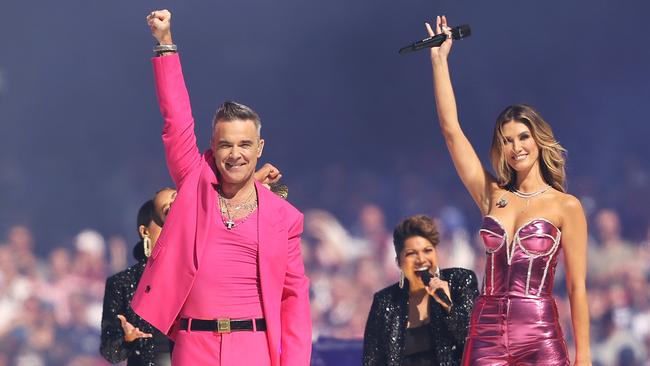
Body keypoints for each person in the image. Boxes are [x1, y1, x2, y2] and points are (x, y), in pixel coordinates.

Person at [131, 9, 311, 366]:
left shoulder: (284, 217)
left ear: (259, 149)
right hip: (193, 346)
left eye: (245, 145)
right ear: (213, 147)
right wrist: (165, 45)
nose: (235, 154)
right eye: (226, 145)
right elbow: (176, 121)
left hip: (255, 349)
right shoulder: (195, 185)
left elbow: (294, 301)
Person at [426, 15, 591, 365]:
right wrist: (440, 62)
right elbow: (451, 130)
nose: (516, 147)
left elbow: (577, 288)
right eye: (506, 141)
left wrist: (585, 356)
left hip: (540, 335)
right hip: (485, 333)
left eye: (522, 137)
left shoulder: (566, 206)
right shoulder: (492, 195)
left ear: (538, 140)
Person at [363, 215, 479, 366]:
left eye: (427, 250)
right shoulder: (385, 301)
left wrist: (449, 307)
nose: (421, 259)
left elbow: (475, 342)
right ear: (399, 261)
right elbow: (371, 360)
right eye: (411, 253)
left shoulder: (460, 282)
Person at [100, 188, 177, 365]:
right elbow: (110, 352)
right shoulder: (122, 284)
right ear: (145, 231)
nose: (172, 226)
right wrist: (128, 338)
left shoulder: (199, 277)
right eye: (164, 217)